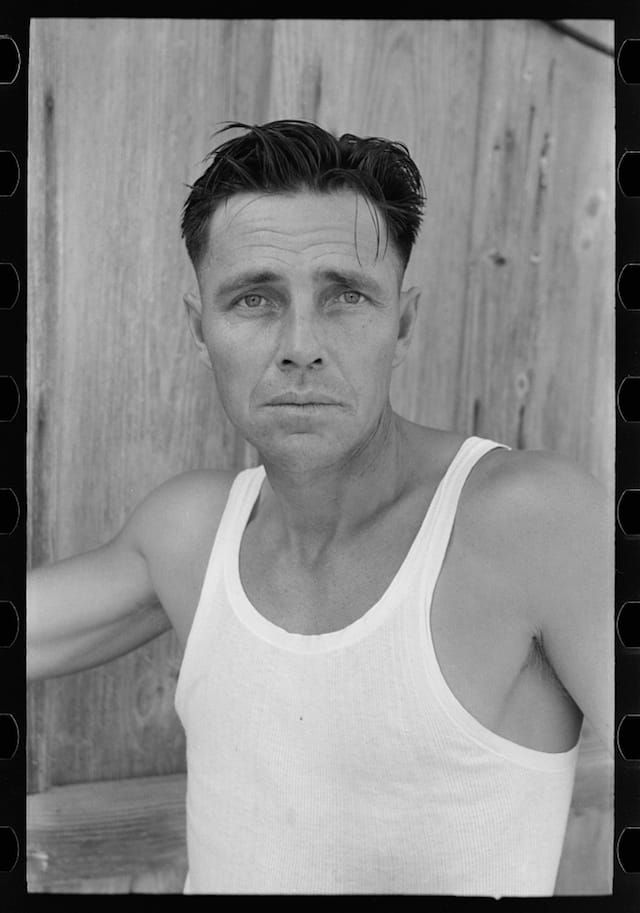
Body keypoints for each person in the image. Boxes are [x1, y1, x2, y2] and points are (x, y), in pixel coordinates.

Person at [27, 120, 612, 896]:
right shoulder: (191, 533)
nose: (301, 343)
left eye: (345, 296)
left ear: (401, 322)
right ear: (197, 330)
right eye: (255, 298)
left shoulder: (527, 521)